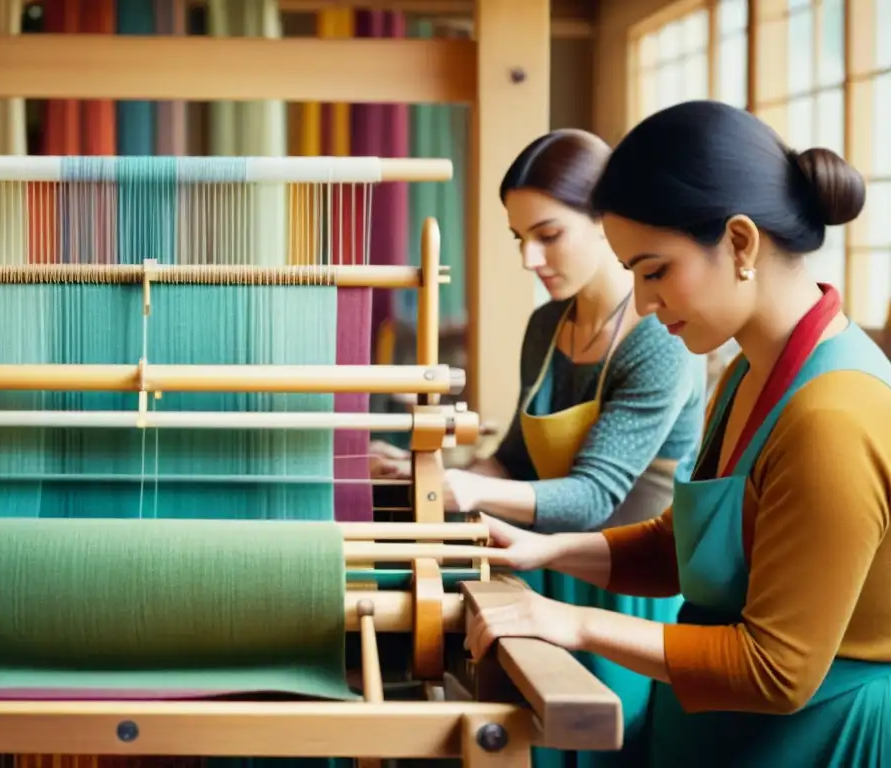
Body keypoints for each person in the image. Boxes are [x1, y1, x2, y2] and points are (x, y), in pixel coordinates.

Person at [465, 100, 891, 768]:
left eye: (655, 270)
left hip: (815, 742)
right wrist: (544, 553)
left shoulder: (835, 415)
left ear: (742, 244)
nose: (641, 301)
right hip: (720, 734)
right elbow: (683, 544)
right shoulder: (751, 370)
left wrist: (574, 620)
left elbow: (776, 669)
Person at [372, 129, 706, 767]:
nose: (530, 258)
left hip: (624, 586)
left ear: (606, 222)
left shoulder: (658, 339)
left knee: (600, 742)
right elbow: (518, 462)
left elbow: (590, 498)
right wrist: (437, 472)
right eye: (519, 239)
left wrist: (466, 489)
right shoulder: (547, 325)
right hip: (536, 567)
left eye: (548, 235)